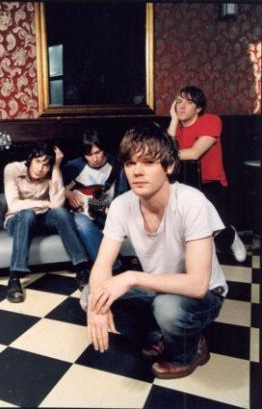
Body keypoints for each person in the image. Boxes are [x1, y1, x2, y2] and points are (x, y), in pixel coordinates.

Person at [85, 123, 227, 379]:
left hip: (205, 294)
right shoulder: (121, 205)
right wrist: (97, 305)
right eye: (130, 163)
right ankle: (159, 335)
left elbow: (197, 285)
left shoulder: (191, 202)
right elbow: (102, 266)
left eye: (149, 162)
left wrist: (131, 277)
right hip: (158, 287)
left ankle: (189, 351)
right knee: (91, 295)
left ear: (169, 166)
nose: (137, 171)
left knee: (167, 308)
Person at [167, 85, 246, 262]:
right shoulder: (176, 128)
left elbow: (194, 153)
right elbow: (166, 147)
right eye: (179, 101)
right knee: (188, 224)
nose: (181, 106)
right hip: (185, 183)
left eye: (189, 102)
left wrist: (167, 154)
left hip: (211, 182)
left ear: (198, 108)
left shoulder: (211, 121)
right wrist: (173, 120)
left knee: (217, 228)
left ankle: (231, 235)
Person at [4, 141, 90, 303]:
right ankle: (14, 277)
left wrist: (56, 167)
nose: (40, 169)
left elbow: (57, 204)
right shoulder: (12, 169)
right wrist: (44, 203)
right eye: (37, 161)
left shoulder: (52, 173)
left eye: (46, 164)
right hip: (17, 220)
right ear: (30, 159)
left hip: (42, 219)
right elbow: (13, 204)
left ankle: (81, 269)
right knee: (27, 215)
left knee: (62, 213)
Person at [62, 129, 128, 269]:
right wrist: (67, 193)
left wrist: (113, 209)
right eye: (89, 154)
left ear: (104, 149)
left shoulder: (117, 165)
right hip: (82, 214)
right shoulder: (73, 167)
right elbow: (52, 186)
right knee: (82, 224)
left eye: (98, 152)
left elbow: (123, 196)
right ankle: (111, 267)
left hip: (108, 212)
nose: (95, 158)